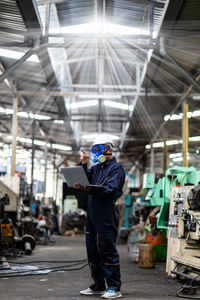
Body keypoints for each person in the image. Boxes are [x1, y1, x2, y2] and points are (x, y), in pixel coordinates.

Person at [75, 134, 125, 299]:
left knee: (106, 249)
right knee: (92, 250)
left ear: (109, 149)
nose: (96, 153)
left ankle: (114, 287)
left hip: (105, 215)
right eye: (94, 150)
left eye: (99, 149)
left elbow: (111, 189)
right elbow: (83, 180)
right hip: (92, 215)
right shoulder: (96, 169)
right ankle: (97, 285)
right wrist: (83, 164)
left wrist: (90, 189)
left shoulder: (116, 168)